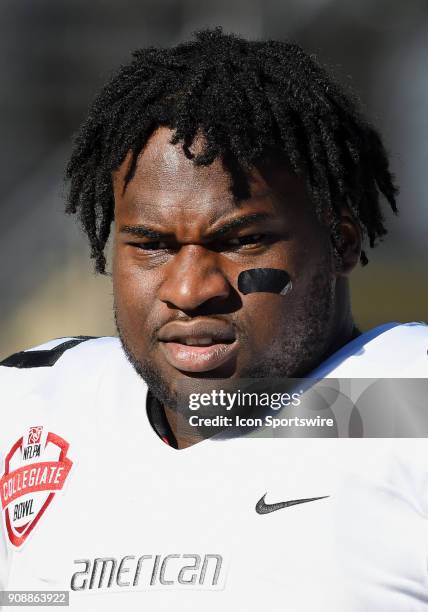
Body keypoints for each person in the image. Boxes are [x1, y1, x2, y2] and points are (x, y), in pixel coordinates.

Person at [0, 28, 427, 611]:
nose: (189, 290)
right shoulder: (34, 410)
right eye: (151, 244)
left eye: (242, 241)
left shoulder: (404, 402)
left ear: (342, 243)